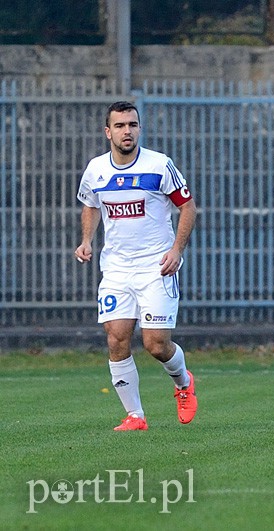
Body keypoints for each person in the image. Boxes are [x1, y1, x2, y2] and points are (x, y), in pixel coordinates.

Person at [75, 101, 198, 431]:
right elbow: (90, 204)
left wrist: (175, 250)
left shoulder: (159, 165)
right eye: (120, 126)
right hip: (115, 269)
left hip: (156, 266)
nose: (126, 131)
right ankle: (135, 416)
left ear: (139, 128)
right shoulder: (96, 169)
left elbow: (188, 208)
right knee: (116, 339)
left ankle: (184, 383)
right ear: (108, 132)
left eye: (132, 124)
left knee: (155, 343)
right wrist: (87, 240)